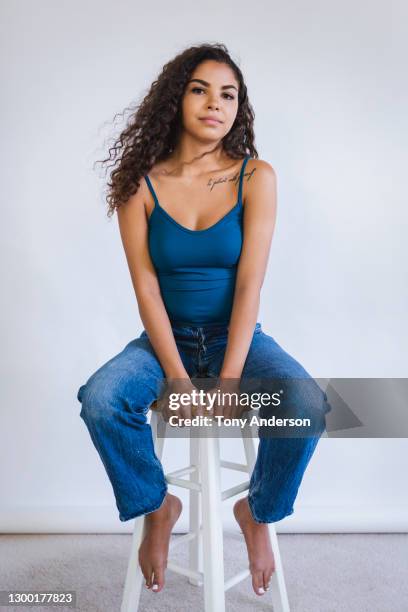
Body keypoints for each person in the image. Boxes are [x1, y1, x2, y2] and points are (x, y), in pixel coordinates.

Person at [77, 42, 331, 598]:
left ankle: (257, 511)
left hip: (233, 340)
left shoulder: (255, 176)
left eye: (228, 94)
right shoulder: (139, 184)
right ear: (177, 99)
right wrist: (176, 378)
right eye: (200, 89)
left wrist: (230, 380)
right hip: (163, 340)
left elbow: (249, 284)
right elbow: (145, 286)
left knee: (308, 405)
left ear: (239, 107)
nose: (215, 103)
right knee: (102, 401)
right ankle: (158, 506)